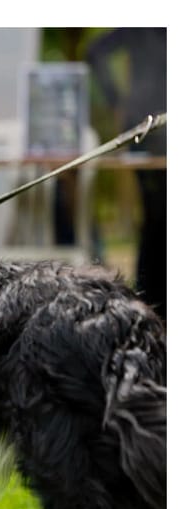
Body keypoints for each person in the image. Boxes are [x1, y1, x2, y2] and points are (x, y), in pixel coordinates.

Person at [86, 28, 167, 322]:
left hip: (147, 123)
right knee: (157, 218)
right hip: (149, 127)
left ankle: (153, 298)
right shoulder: (143, 24)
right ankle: (153, 299)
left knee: (157, 219)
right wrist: (115, 97)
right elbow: (95, 51)